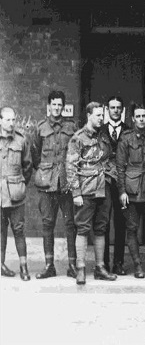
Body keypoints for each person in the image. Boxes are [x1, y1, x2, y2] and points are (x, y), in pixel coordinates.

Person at [66, 102, 117, 285]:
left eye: (102, 116)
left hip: (103, 189)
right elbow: (71, 167)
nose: (101, 118)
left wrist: (110, 176)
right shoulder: (78, 138)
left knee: (101, 228)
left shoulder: (104, 137)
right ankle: (80, 269)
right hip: (85, 191)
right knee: (83, 229)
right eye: (97, 115)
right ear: (89, 115)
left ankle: (100, 268)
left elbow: (110, 158)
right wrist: (76, 193)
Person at [31, 90, 78, 279]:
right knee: (47, 224)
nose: (57, 108)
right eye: (54, 104)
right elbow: (35, 155)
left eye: (60, 105)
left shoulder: (71, 127)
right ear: (49, 106)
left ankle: (72, 266)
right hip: (47, 185)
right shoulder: (40, 128)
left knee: (70, 224)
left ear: (63, 106)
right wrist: (44, 173)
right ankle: (49, 265)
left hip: (66, 183)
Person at [115, 104, 145, 279]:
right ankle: (138, 266)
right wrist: (122, 191)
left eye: (144, 116)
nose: (141, 119)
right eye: (138, 116)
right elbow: (119, 167)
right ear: (132, 119)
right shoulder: (125, 138)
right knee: (132, 229)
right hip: (131, 190)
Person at [0, 107, 33, 281]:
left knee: (19, 230)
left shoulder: (21, 140)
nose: (11, 123)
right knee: (0, 231)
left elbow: (27, 166)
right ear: (0, 121)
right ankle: (1, 265)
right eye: (7, 120)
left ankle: (24, 267)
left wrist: (19, 184)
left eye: (13, 120)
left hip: (16, 194)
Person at [101, 95, 130, 275]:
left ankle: (118, 263)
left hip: (122, 180)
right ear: (107, 110)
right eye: (112, 108)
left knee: (121, 222)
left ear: (122, 110)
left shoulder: (128, 130)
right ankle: (103, 263)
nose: (116, 111)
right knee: (103, 222)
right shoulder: (100, 130)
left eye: (119, 107)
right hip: (104, 180)